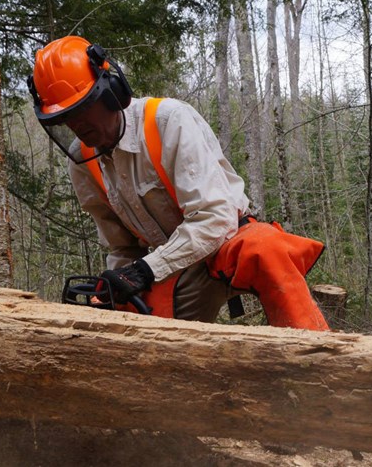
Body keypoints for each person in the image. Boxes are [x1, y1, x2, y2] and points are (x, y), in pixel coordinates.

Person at [27, 35, 329, 331]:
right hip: (168, 261)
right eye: (66, 118)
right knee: (132, 325)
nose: (78, 125)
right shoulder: (83, 162)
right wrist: (121, 285)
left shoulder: (168, 121)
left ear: (111, 92)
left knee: (266, 248)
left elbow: (215, 219)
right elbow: (121, 248)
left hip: (226, 239)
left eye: (83, 109)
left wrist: (147, 269)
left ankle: (315, 353)